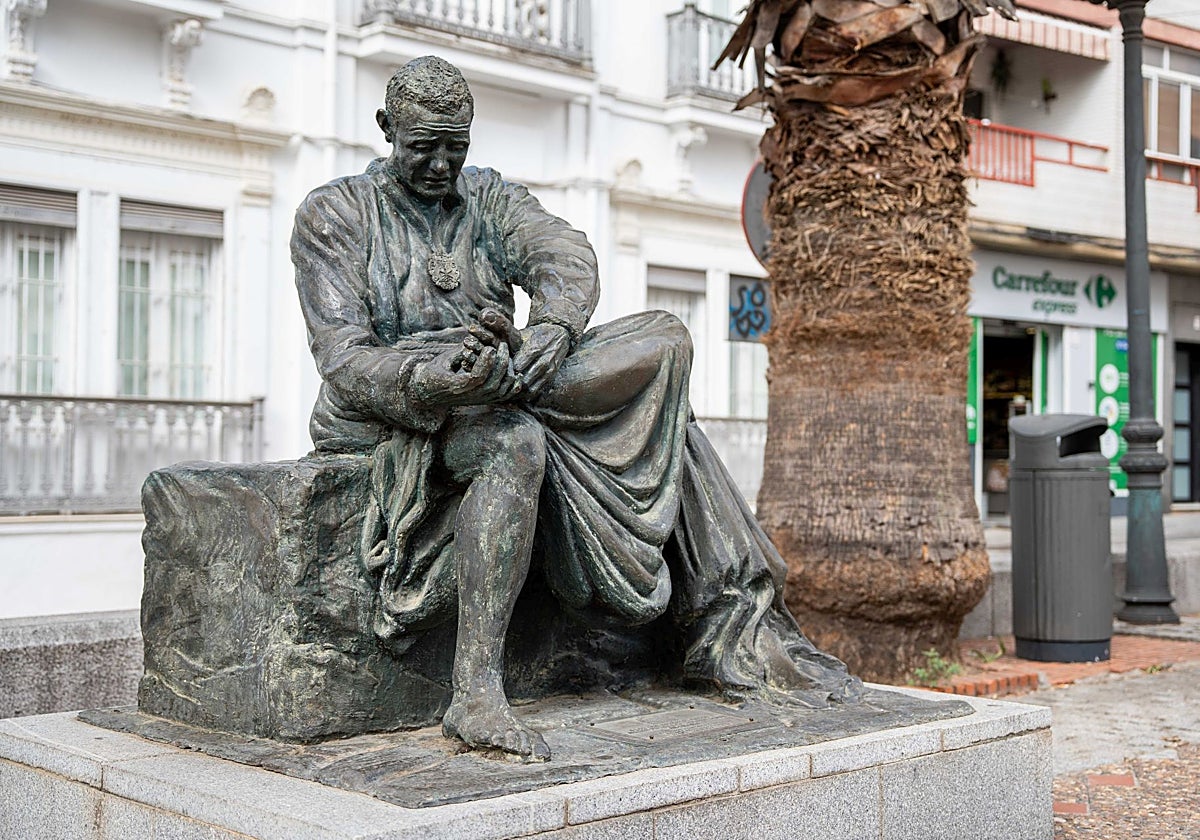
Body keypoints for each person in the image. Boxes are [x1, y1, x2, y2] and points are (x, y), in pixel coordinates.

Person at [292, 56, 860, 762]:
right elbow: (344, 358)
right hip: (406, 408)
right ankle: (475, 692)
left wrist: (550, 333)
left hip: (506, 376)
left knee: (663, 344)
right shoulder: (335, 214)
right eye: (423, 147)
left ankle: (724, 619)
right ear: (386, 130)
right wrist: (441, 380)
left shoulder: (489, 199)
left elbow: (564, 254)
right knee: (519, 443)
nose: (441, 164)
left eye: (455, 147)